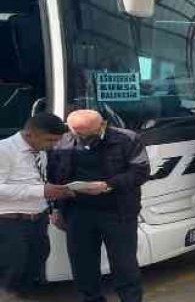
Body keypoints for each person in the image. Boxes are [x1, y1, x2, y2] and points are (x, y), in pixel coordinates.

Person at [49, 110, 150, 302]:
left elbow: (140, 172)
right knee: (82, 265)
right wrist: (55, 208)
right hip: (77, 212)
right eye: (79, 134)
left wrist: (108, 184)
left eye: (89, 133)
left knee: (124, 264)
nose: (84, 138)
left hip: (118, 211)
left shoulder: (127, 139)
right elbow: (54, 176)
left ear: (102, 124)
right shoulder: (62, 141)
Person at [0, 113, 71, 298]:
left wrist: (54, 201)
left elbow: (39, 181)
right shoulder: (4, 149)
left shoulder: (39, 151)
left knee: (35, 266)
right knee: (13, 267)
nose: (53, 145)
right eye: (49, 140)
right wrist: (42, 192)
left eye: (56, 140)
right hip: (10, 222)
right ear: (30, 133)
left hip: (37, 220)